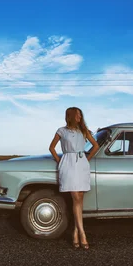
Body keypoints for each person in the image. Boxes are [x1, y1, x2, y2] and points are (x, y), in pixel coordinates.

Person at [49, 107, 99, 249]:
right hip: (68, 163)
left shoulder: (84, 131)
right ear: (69, 116)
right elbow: (51, 148)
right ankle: (83, 233)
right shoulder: (61, 131)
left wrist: (87, 159)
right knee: (75, 197)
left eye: (80, 115)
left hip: (81, 163)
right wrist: (60, 161)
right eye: (77, 115)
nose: (79, 117)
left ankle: (76, 231)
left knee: (80, 197)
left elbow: (96, 146)